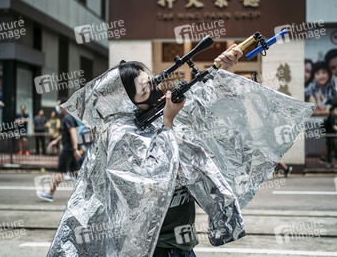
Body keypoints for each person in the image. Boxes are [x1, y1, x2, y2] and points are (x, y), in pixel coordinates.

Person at [46, 45, 314, 256]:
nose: (153, 89)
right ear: (125, 100)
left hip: (179, 241)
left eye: (151, 82)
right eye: (144, 89)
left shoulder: (151, 117)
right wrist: (168, 122)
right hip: (156, 245)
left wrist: (220, 69)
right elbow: (155, 176)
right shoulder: (119, 133)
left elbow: (199, 108)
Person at [37, 98, 81, 202]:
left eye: (58, 105)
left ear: (63, 106)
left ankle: (50, 193)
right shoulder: (69, 117)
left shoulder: (67, 118)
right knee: (76, 172)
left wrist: (75, 149)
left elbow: (73, 133)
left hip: (68, 149)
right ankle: (86, 193)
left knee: (60, 171)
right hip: (71, 148)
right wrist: (55, 141)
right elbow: (65, 133)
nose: (57, 108)